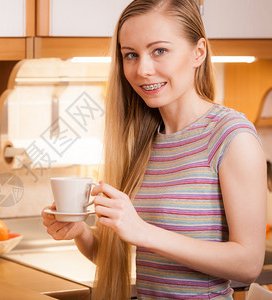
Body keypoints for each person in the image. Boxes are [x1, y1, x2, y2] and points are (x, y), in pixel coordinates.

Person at [41, 0, 267, 299]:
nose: (143, 69)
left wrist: (143, 232)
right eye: (131, 55)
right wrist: (80, 232)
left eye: (159, 51)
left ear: (198, 52)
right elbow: (121, 258)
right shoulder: (142, 139)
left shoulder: (230, 137)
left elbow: (249, 264)